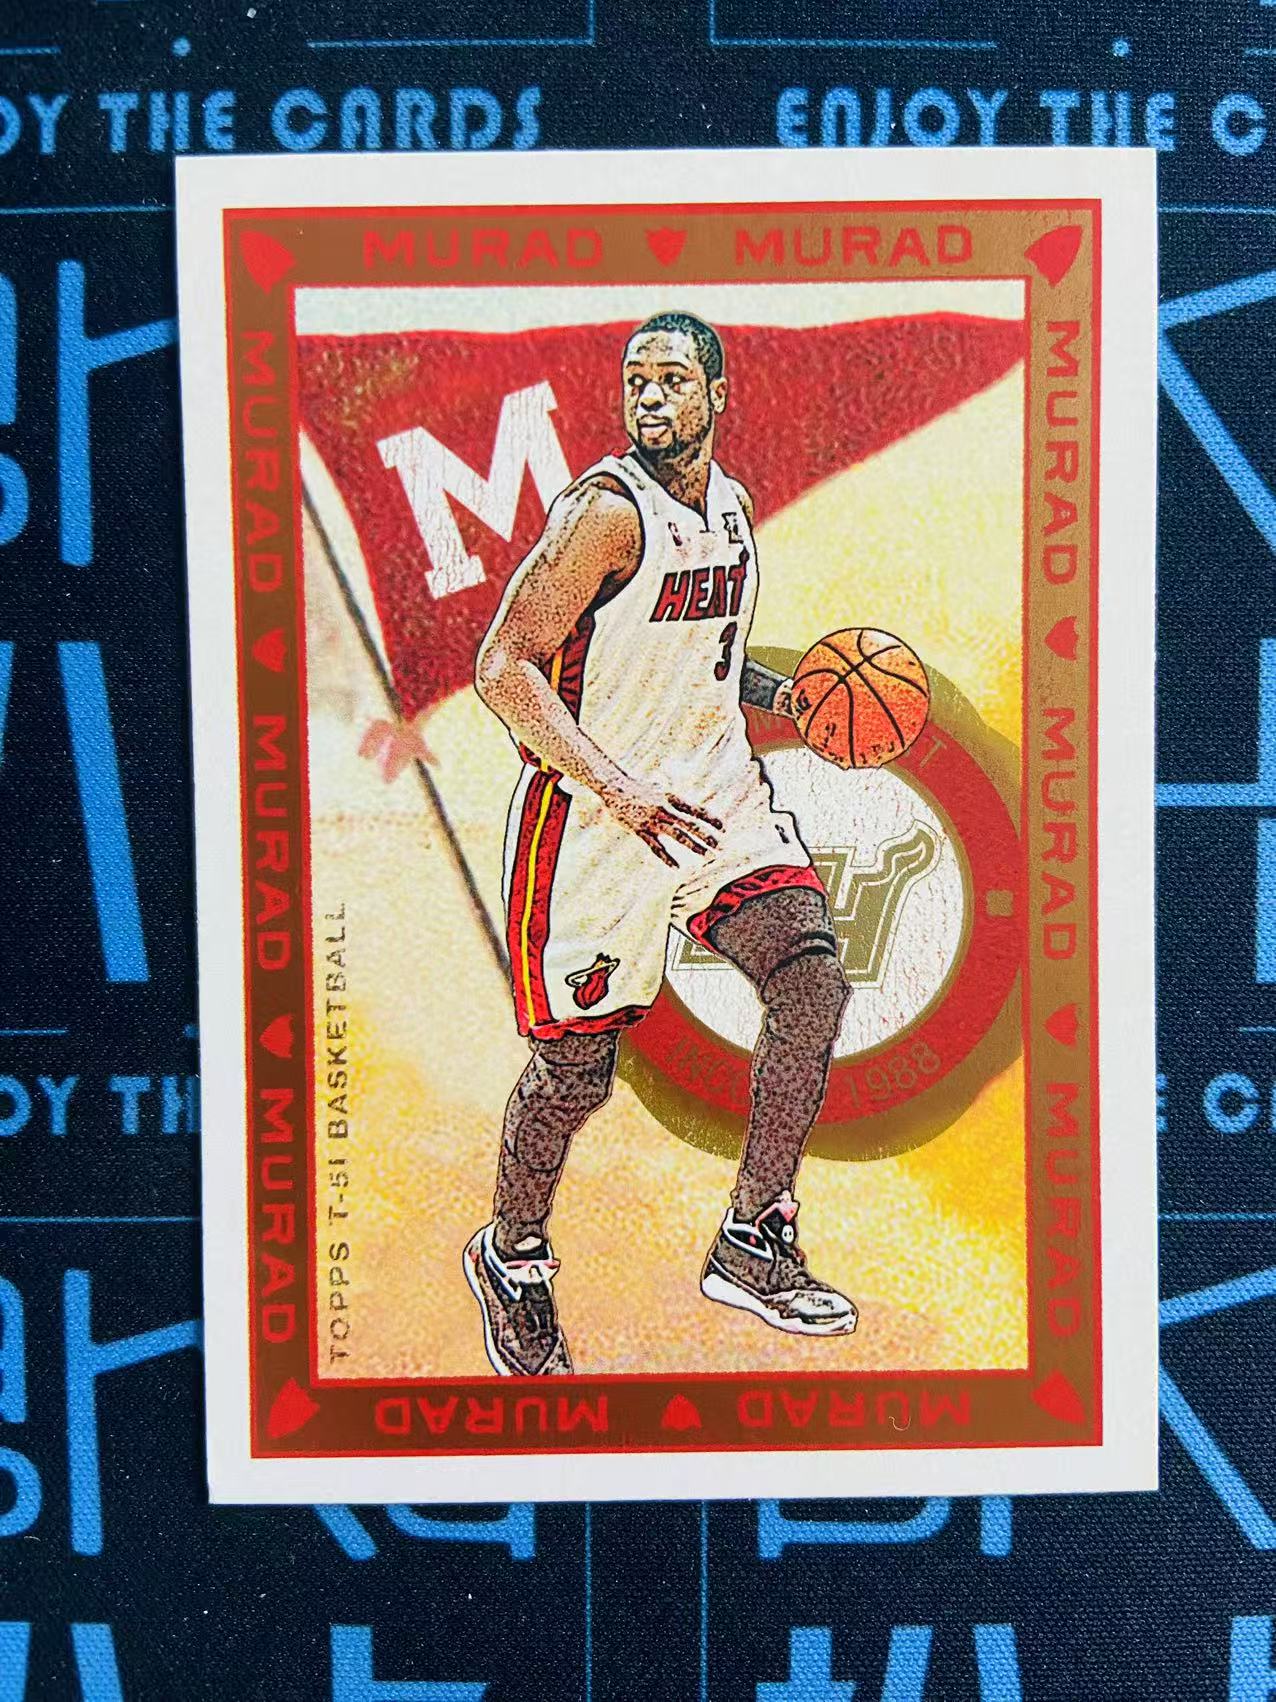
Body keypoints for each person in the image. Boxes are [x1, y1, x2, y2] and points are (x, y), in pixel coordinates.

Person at [465, 311, 857, 1375]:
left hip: (713, 798)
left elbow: (704, 666)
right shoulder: (604, 514)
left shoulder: (730, 511)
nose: (648, 396)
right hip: (595, 818)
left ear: (717, 395)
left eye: (672, 379)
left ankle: (752, 1235)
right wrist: (620, 788)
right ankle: (513, 1253)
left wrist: (794, 697)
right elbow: (504, 665)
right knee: (573, 1078)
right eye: (636, 379)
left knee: (811, 982)